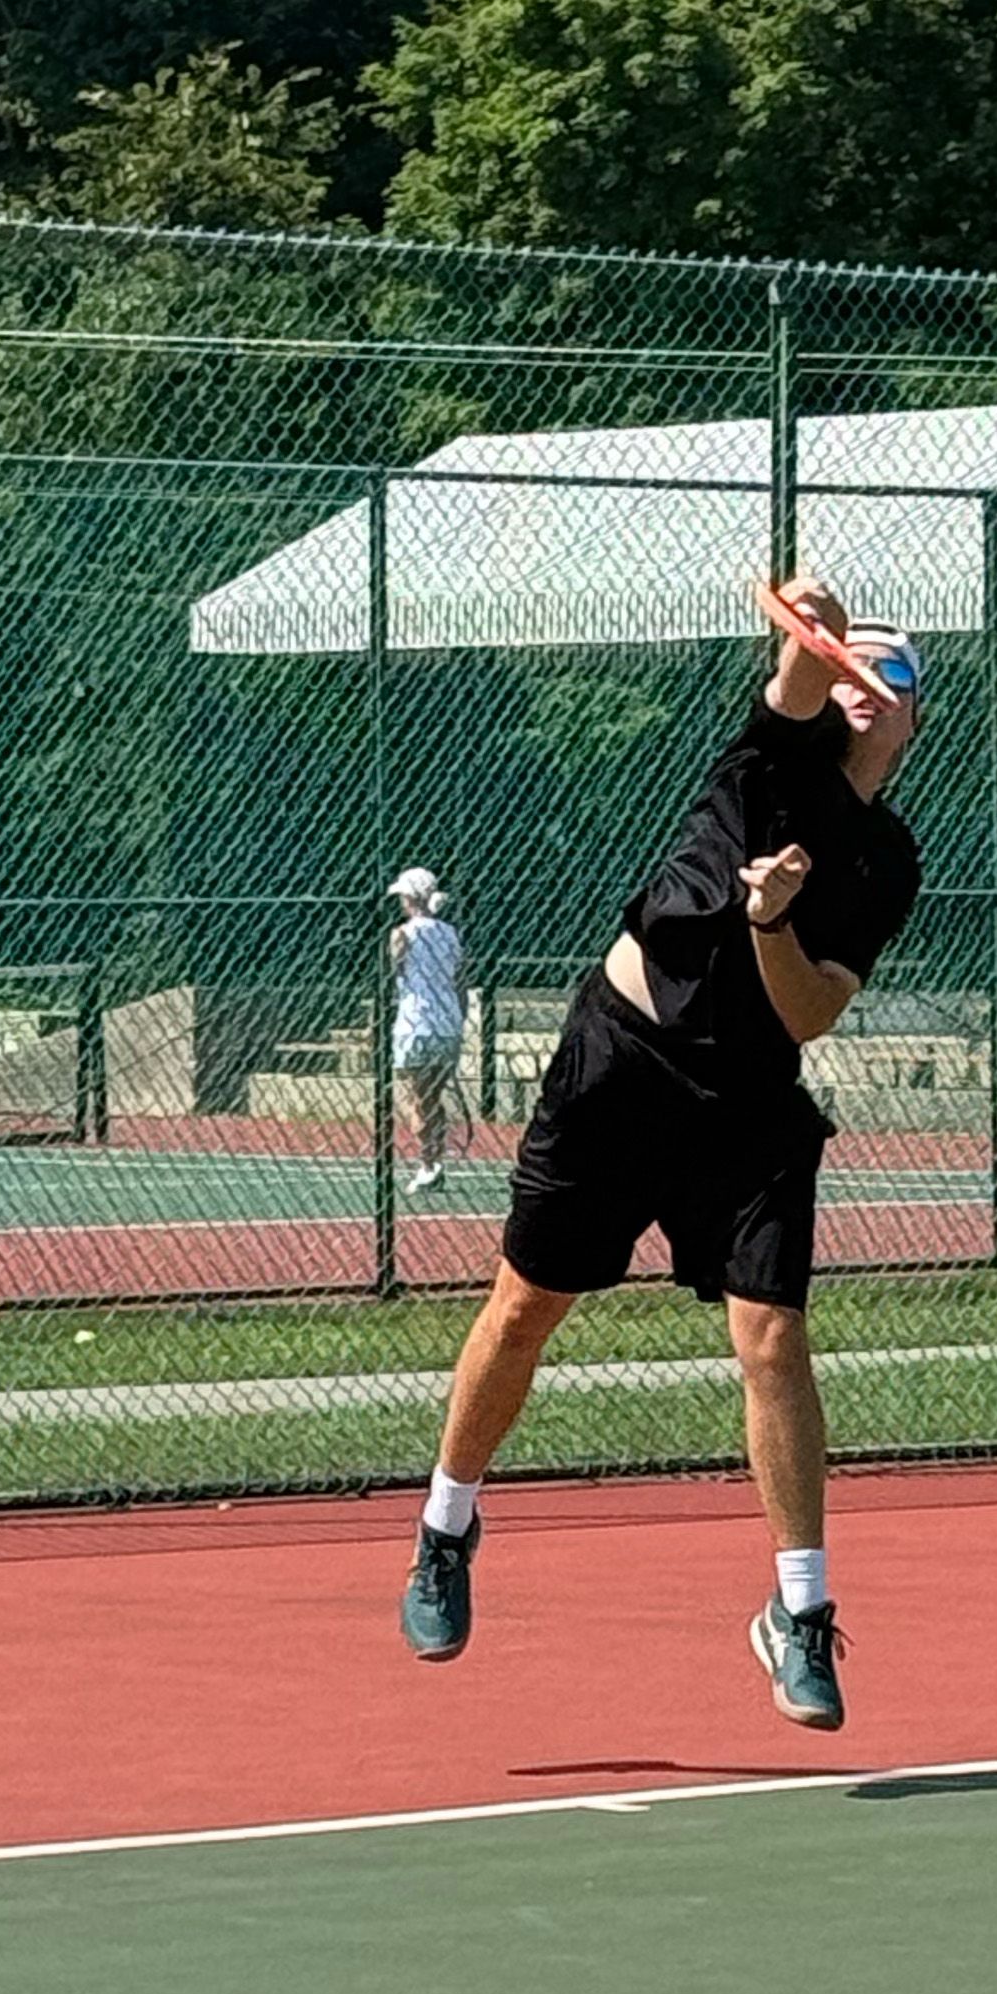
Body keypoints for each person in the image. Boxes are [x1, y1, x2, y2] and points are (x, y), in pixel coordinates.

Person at [401, 576, 925, 1731]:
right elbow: (795, 675)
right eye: (847, 671)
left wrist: (772, 922)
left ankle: (799, 1612)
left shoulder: (883, 863)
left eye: (884, 679)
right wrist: (814, 619)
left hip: (747, 1101)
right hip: (619, 1067)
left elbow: (809, 1015)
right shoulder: (765, 766)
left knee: (774, 1335)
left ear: (908, 719)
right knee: (525, 1309)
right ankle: (446, 1527)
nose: (859, 688)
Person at [384, 865, 465, 1191]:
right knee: (432, 1096)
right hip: (447, 1025)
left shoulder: (401, 934)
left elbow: (394, 970)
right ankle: (433, 1160)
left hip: (415, 1023)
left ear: (409, 898)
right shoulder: (450, 933)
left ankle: (428, 1162)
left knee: (411, 1097)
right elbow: (459, 978)